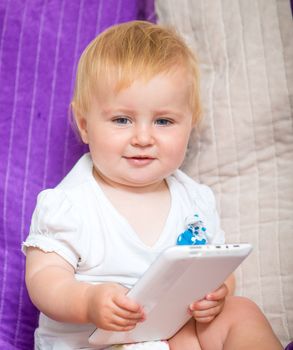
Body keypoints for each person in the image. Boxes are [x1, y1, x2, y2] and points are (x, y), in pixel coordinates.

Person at [22, 20, 283, 350]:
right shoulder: (70, 204)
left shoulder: (194, 200)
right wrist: (88, 301)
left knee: (240, 311)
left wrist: (218, 292)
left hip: (169, 332)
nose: (143, 138)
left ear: (190, 124)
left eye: (163, 121)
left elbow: (215, 268)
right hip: (94, 343)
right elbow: (43, 279)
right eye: (122, 119)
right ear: (85, 125)